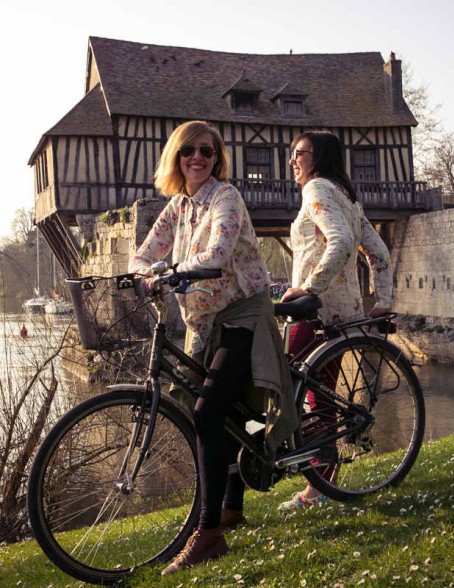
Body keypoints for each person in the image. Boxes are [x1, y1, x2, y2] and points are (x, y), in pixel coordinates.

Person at [128, 120, 297, 575]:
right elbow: (141, 254)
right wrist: (147, 271)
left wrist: (174, 270)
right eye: (188, 151)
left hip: (242, 315)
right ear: (176, 159)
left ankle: (207, 534)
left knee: (205, 414)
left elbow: (220, 252)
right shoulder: (178, 206)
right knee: (225, 414)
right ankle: (232, 508)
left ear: (216, 157)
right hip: (201, 321)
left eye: (206, 150)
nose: (197, 158)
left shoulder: (226, 198)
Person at [277, 130, 393, 511]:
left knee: (282, 379)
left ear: (319, 157)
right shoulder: (347, 196)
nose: (292, 160)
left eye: (300, 153)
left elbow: (341, 241)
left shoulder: (317, 190)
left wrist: (309, 288)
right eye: (292, 153)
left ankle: (312, 480)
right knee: (318, 395)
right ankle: (320, 488)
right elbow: (379, 252)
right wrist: (383, 300)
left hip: (315, 311)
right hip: (344, 313)